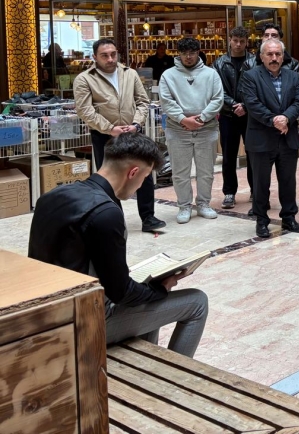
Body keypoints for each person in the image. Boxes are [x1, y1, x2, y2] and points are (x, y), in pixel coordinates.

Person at [28, 132, 208, 357]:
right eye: (144, 178)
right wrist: (161, 288)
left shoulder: (52, 196)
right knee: (197, 302)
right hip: (82, 323)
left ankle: (148, 364)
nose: (141, 185)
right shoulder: (106, 213)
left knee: (148, 296)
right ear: (133, 172)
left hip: (45, 313)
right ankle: (177, 374)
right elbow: (121, 293)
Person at [73, 38, 165, 233]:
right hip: (104, 135)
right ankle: (115, 220)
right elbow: (85, 110)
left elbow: (142, 101)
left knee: (144, 173)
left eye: (113, 54)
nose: (110, 59)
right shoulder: (85, 79)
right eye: (104, 55)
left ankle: (148, 217)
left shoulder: (130, 73)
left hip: (132, 132)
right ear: (95, 57)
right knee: (109, 177)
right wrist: (110, 128)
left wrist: (136, 124)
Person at [240, 38, 299, 239]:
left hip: (287, 137)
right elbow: (252, 104)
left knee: (288, 181)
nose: (274, 58)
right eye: (269, 54)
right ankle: (261, 221)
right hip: (261, 138)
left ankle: (289, 217)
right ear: (261, 56)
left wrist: (286, 118)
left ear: (283, 56)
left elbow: (298, 101)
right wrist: (274, 120)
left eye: (278, 54)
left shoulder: (293, 76)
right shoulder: (250, 76)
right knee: (261, 183)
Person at [160, 37, 224, 225]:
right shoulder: (168, 75)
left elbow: (218, 99)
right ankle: (184, 206)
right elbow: (166, 101)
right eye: (184, 53)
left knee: (206, 171)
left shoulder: (211, 74)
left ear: (198, 53)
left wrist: (202, 118)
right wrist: (183, 119)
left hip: (206, 128)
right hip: (177, 129)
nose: (188, 57)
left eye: (192, 53)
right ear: (178, 54)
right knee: (180, 171)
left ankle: (203, 204)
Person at [213, 27, 256, 210]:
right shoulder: (219, 63)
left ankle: (256, 190)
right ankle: (229, 192)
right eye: (235, 40)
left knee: (254, 154)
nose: (238, 44)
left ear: (247, 42)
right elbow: (217, 90)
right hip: (228, 115)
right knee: (228, 156)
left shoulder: (255, 61)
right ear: (229, 40)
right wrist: (233, 105)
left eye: (242, 41)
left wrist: (245, 105)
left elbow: (258, 87)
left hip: (251, 115)